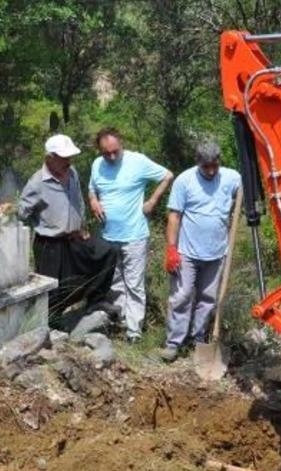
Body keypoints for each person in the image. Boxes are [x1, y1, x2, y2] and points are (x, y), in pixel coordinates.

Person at [88, 127, 174, 342]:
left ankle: (134, 331)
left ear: (122, 144)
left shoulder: (138, 161)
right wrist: (94, 201)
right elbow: (92, 189)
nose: (111, 156)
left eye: (115, 151)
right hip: (108, 235)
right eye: (106, 153)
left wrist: (153, 201)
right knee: (115, 281)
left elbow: (167, 175)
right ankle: (123, 320)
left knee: (134, 283)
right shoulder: (97, 165)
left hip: (134, 234)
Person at [18, 134, 119, 313]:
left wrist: (82, 224)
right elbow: (21, 212)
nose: (69, 161)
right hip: (50, 244)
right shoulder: (37, 183)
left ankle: (95, 300)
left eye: (70, 157)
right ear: (50, 158)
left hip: (75, 237)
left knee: (108, 252)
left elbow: (78, 200)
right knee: (53, 290)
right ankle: (51, 323)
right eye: (64, 158)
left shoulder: (72, 172)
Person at [159, 142, 241, 362]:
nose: (211, 170)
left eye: (215, 165)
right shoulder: (184, 181)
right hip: (187, 252)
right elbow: (174, 216)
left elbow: (245, 194)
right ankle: (174, 343)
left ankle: (198, 340)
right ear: (198, 163)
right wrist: (171, 249)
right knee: (182, 295)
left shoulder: (232, 178)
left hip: (216, 252)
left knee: (208, 299)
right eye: (206, 167)